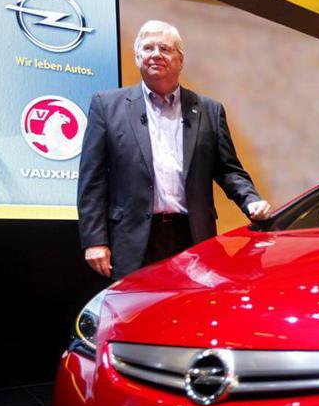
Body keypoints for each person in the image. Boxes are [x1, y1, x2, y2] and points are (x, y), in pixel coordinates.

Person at [77, 20, 271, 279]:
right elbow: (93, 180)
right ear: (137, 57)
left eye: (165, 49)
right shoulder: (106, 106)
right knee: (137, 304)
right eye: (148, 48)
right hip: (132, 239)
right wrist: (95, 240)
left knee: (194, 303)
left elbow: (228, 170)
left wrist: (251, 200)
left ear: (180, 60)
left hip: (192, 236)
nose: (156, 54)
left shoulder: (209, 110)